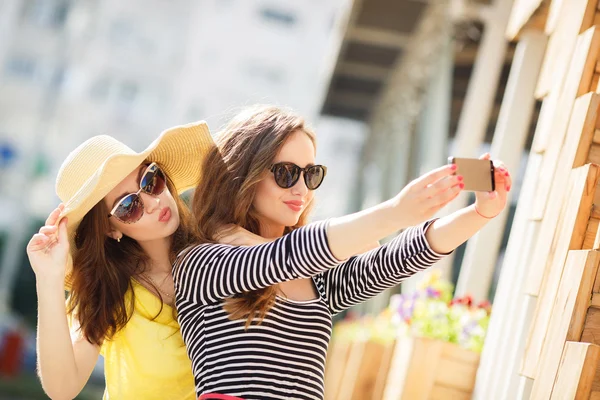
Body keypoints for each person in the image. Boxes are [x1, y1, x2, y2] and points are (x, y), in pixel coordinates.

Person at [173, 105, 512, 399]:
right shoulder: (201, 263)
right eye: (286, 173)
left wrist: (480, 213)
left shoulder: (315, 277)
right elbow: (288, 255)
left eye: (311, 174)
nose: (301, 189)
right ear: (241, 174)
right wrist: (395, 212)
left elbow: (394, 260)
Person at [26, 122, 218, 400]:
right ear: (111, 229)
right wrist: (48, 278)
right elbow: (62, 388)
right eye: (128, 206)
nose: (153, 203)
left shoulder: (221, 259)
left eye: (151, 180)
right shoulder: (111, 292)